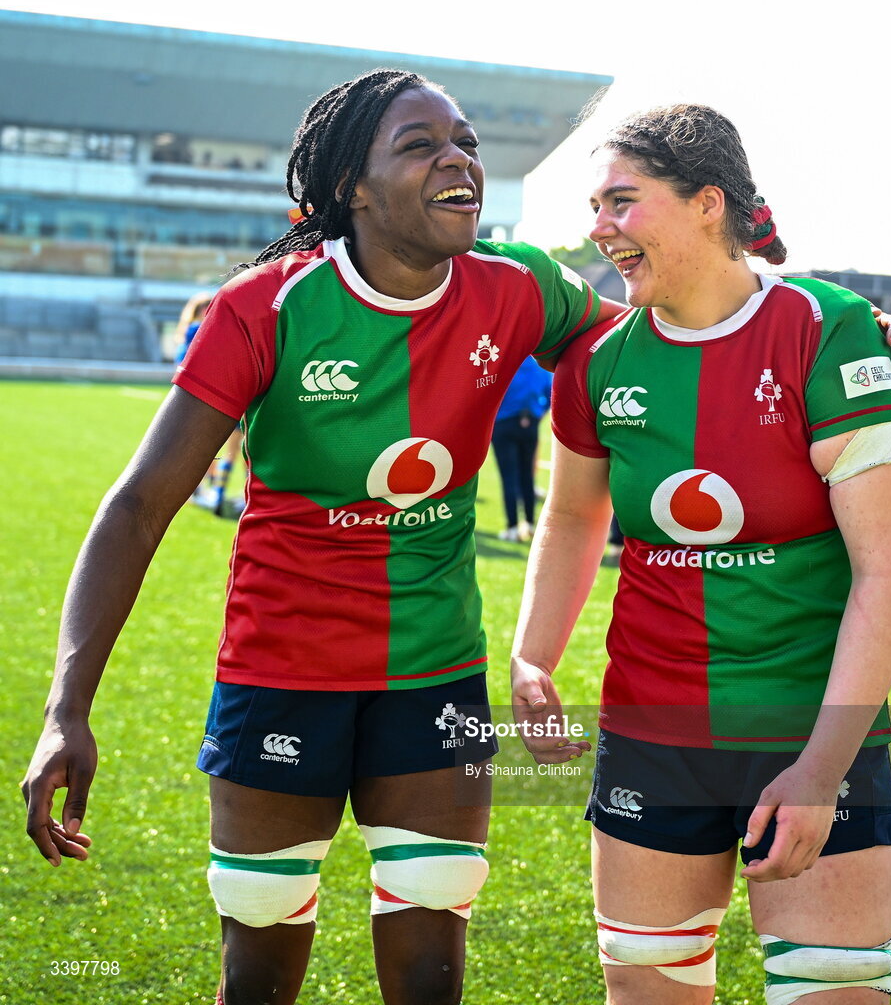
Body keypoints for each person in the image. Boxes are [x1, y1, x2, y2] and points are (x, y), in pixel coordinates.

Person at [21, 69, 624, 1005]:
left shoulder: (519, 287)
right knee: (258, 968)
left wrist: (814, 332)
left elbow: (648, 347)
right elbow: (139, 505)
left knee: (430, 965)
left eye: (463, 140)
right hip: (280, 676)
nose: (456, 158)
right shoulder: (265, 310)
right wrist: (67, 708)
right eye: (419, 145)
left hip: (436, 674)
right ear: (353, 187)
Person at [510, 103, 891, 1005]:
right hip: (651, 736)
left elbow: (888, 574)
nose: (600, 227)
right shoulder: (596, 364)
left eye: (622, 201)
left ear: (706, 203)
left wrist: (821, 769)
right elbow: (574, 516)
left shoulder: (829, 329)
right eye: (594, 206)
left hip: (812, 733)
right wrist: (533, 653)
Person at [175, 290, 245, 516]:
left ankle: (213, 492)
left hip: (200, 400)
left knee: (215, 450)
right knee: (232, 451)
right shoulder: (200, 330)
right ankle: (219, 494)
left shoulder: (188, 332)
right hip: (215, 399)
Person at [491, 355, 552, 541]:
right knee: (528, 476)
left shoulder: (505, 361)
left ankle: (512, 528)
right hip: (530, 423)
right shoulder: (539, 365)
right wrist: (537, 414)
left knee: (508, 476)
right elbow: (551, 394)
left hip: (503, 422)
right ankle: (531, 524)